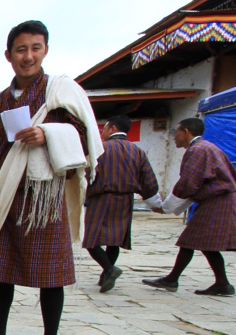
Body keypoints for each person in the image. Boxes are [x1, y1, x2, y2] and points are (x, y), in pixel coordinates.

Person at [0, 20, 102, 335]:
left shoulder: (58, 94)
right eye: (21, 49)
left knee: (51, 276)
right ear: (9, 55)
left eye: (36, 48)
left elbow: (84, 134)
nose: (28, 56)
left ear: (45, 50)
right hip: (5, 197)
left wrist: (49, 134)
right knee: (0, 271)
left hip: (45, 200)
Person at [142, 117, 236, 296]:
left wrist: (166, 207)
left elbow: (188, 184)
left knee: (190, 240)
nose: (174, 137)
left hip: (217, 201)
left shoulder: (198, 150)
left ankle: (172, 280)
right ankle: (222, 283)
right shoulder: (207, 147)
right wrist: (172, 207)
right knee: (204, 244)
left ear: (186, 131)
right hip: (218, 199)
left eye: (175, 132)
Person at [83, 115, 160, 292]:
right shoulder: (137, 151)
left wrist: (83, 193)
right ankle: (105, 276)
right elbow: (149, 180)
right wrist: (153, 201)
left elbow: (87, 175)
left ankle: (110, 269)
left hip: (102, 198)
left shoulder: (100, 149)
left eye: (105, 128)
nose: (102, 132)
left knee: (90, 239)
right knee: (114, 240)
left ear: (113, 129)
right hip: (125, 200)